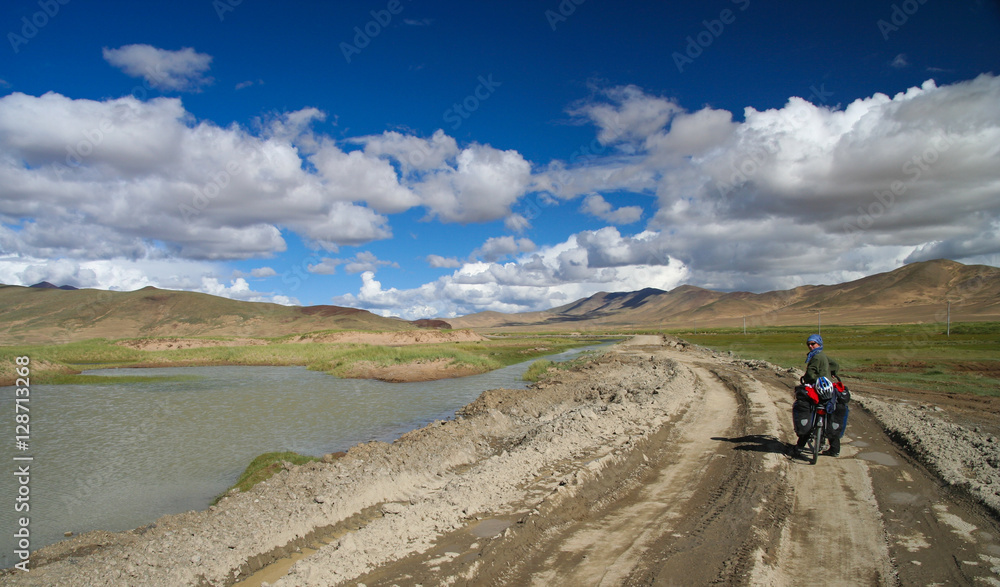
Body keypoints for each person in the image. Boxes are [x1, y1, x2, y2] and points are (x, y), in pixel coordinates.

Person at [791, 333, 843, 457]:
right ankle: (834, 449)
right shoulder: (822, 355)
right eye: (808, 344)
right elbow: (835, 365)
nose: (810, 346)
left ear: (819, 344)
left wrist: (807, 379)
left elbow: (810, 374)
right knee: (829, 416)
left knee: (811, 413)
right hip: (828, 389)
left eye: (813, 344)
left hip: (818, 389)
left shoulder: (816, 357)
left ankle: (799, 447)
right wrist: (832, 374)